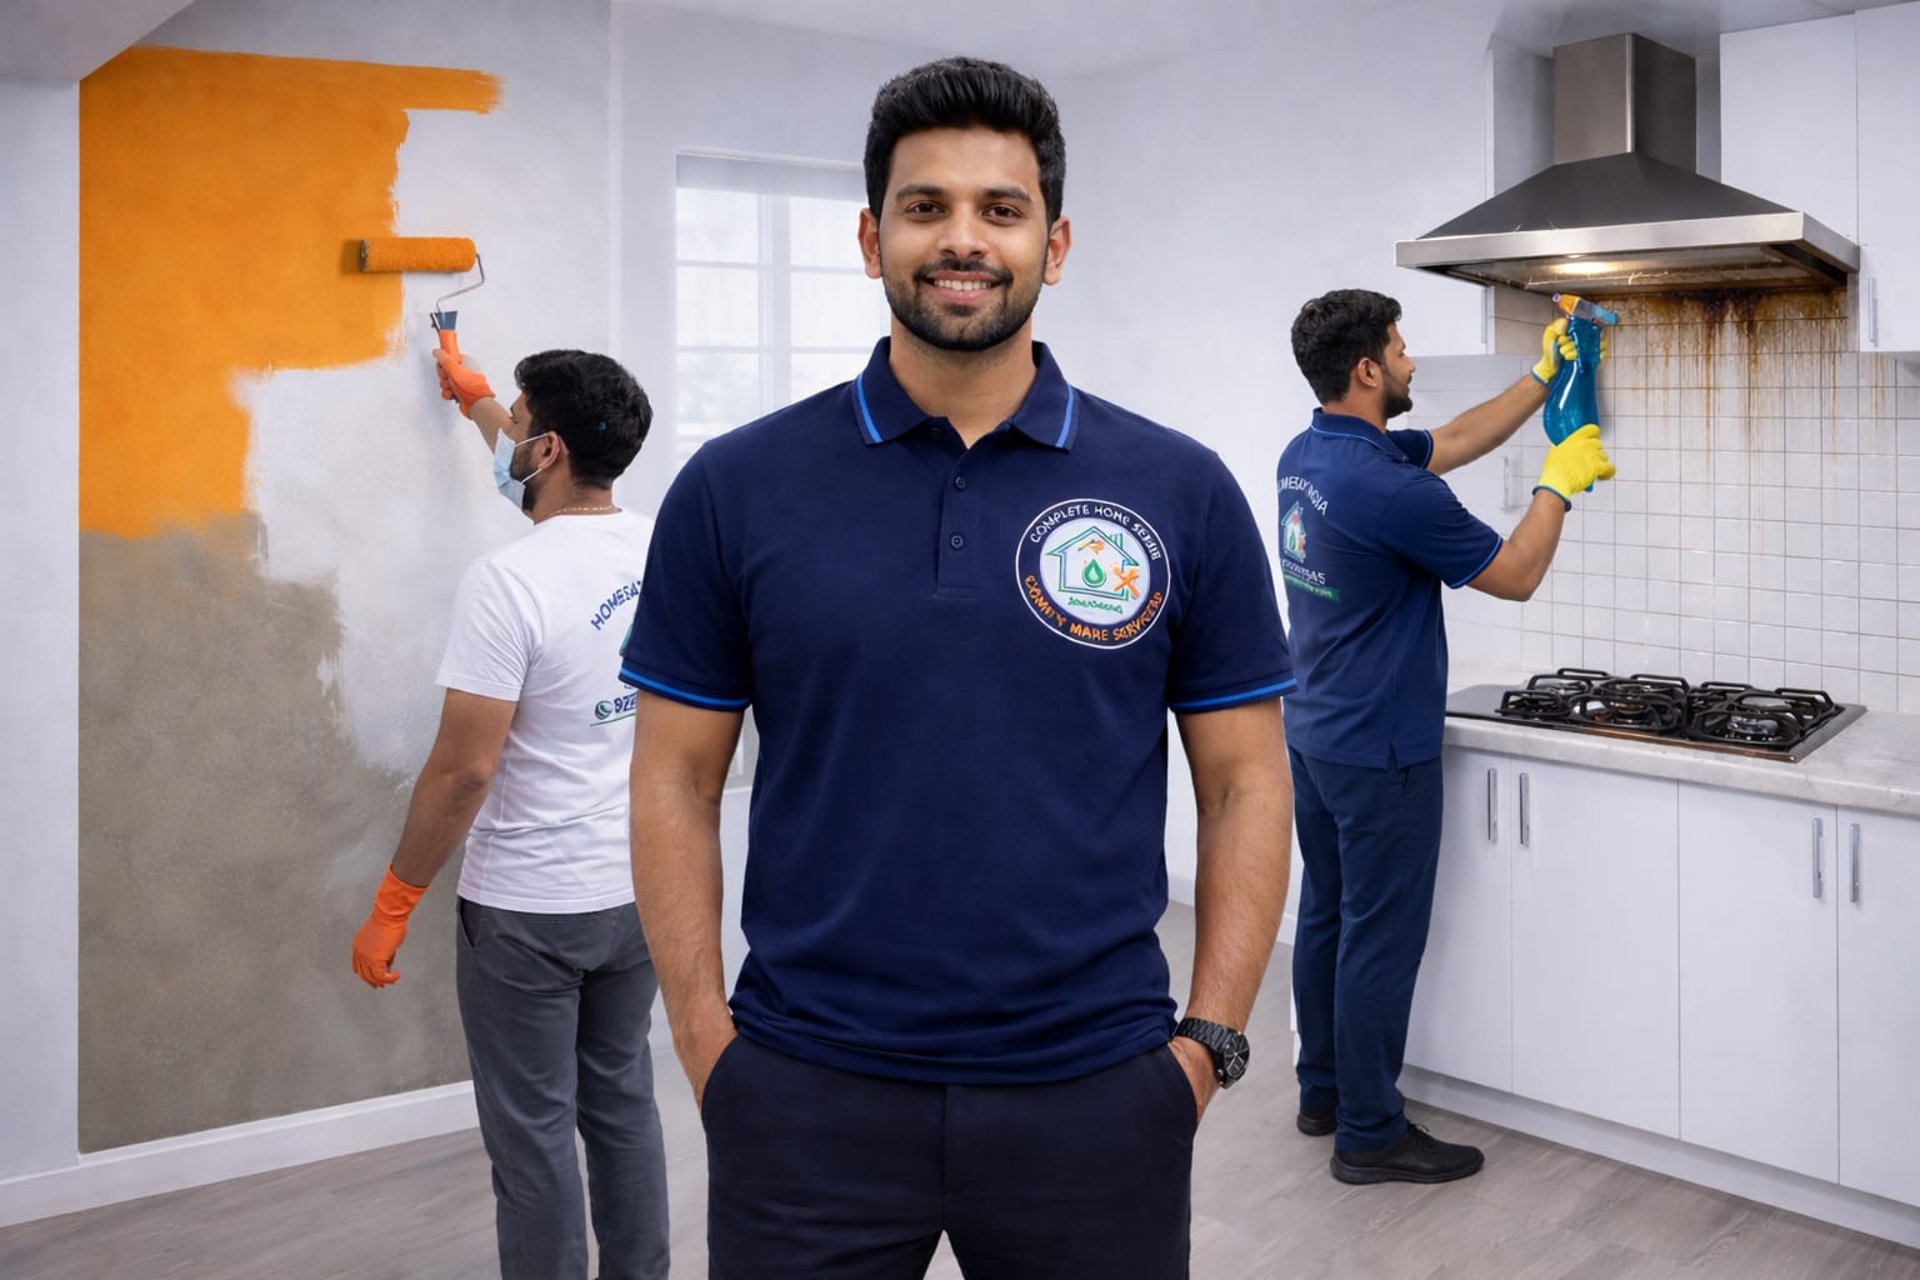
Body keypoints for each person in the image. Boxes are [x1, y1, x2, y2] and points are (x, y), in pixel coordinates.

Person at [621, 56, 1295, 1279]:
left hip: (1096, 1091)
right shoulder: (739, 487)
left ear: (1057, 239)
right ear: (872, 234)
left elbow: (1247, 780)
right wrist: (706, 1039)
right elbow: (671, 776)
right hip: (805, 1091)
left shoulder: (1181, 492)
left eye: (1001, 207)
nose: (963, 239)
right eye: (927, 206)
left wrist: (1207, 1045)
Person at [1276, 288, 1615, 1185]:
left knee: (1327, 917)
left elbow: (1456, 441)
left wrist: (1543, 379)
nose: (1412, 359)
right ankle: (1370, 1132)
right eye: (1400, 346)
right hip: (1382, 746)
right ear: (1366, 370)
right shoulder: (1388, 491)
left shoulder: (1312, 454)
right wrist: (1561, 478)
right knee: (1379, 938)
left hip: (1313, 729)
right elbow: (1516, 574)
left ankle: (1322, 1092)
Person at [350, 346, 668, 1280]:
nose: (511, 439)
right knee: (622, 1109)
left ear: (552, 449)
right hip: (639, 892)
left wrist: (395, 900)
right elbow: (551, 500)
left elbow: (462, 774)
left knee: (531, 1141)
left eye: (521, 426)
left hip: (528, 912)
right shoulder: (661, 548)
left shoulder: (508, 584)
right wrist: (482, 400)